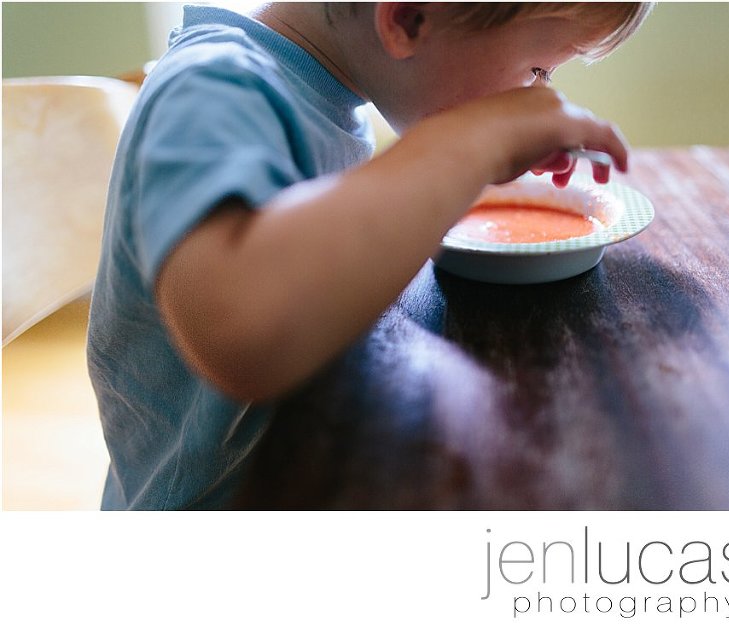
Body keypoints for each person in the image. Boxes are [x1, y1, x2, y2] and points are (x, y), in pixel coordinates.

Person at [87, 2, 653, 509]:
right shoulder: (212, 91)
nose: (540, 93)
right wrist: (470, 142)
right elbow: (240, 334)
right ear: (407, 18)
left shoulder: (332, 91)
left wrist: (466, 157)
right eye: (537, 70)